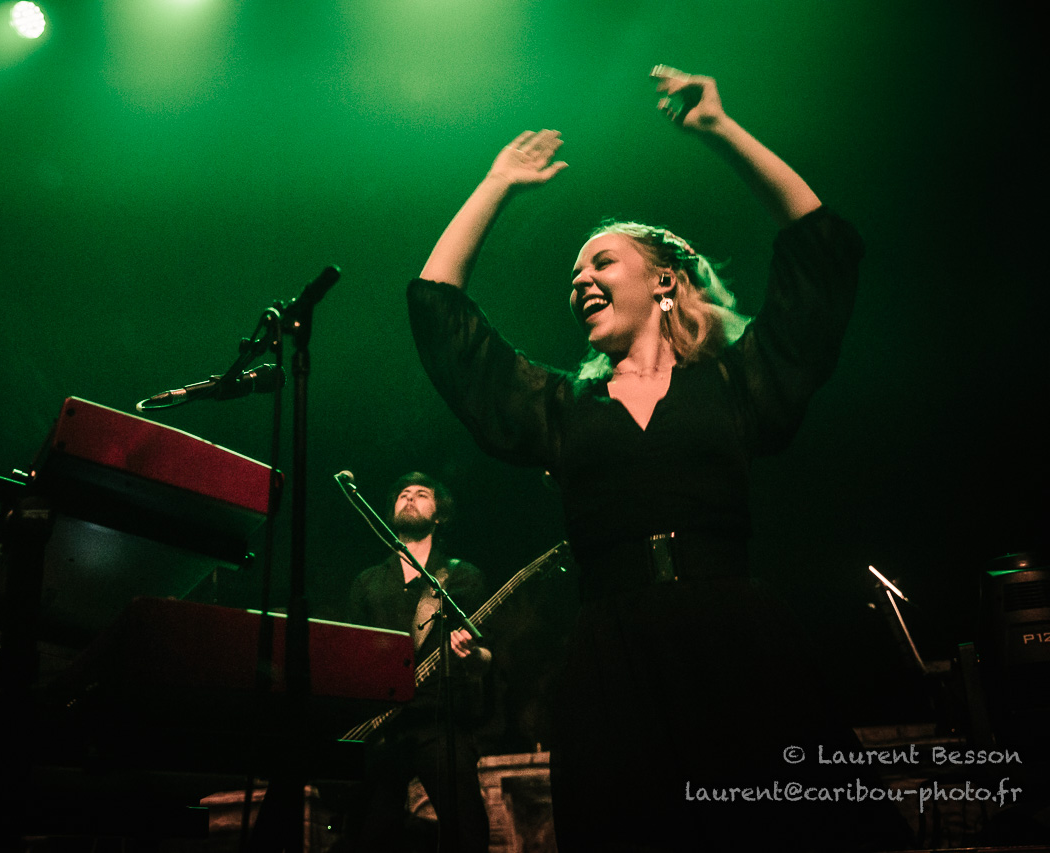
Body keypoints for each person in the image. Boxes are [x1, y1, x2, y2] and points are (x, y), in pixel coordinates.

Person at [407, 67, 909, 851]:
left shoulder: (736, 383)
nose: (581, 279)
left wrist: (720, 129)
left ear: (664, 280)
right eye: (575, 273)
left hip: (740, 645)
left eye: (602, 263)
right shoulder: (562, 408)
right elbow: (441, 311)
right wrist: (496, 184)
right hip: (614, 663)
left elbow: (820, 247)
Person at [343, 472, 491, 853]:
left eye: (422, 494)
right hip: (383, 727)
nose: (409, 498)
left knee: (467, 828)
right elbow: (351, 655)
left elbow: (488, 656)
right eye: (403, 494)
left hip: (439, 721)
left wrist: (472, 654)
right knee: (367, 835)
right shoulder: (367, 582)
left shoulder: (462, 577)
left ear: (439, 515)